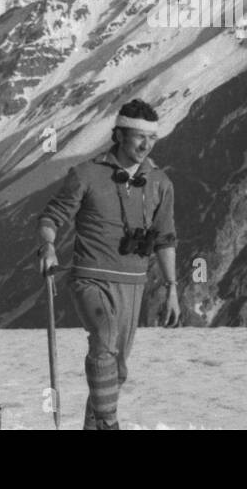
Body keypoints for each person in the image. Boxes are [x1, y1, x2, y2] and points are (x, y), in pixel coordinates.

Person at [35, 99, 180, 430]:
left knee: (117, 369)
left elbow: (166, 239)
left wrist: (172, 289)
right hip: (90, 278)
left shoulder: (160, 183)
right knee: (104, 335)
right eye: (138, 137)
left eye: (152, 138)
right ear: (119, 135)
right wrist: (48, 246)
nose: (145, 145)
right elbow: (51, 216)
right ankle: (110, 425)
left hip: (133, 283)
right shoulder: (85, 174)